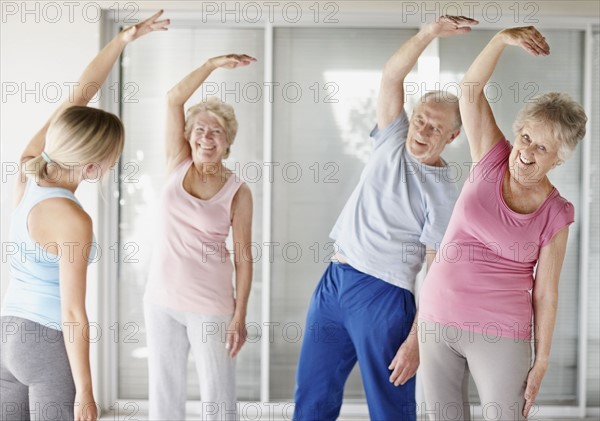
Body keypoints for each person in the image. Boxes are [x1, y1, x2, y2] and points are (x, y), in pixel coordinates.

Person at [293, 16, 478, 421]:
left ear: (452, 137)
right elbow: (392, 76)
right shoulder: (391, 139)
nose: (423, 130)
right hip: (334, 281)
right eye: (421, 119)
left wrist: (415, 341)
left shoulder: (444, 193)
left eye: (436, 127)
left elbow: (436, 276)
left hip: (384, 296)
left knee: (390, 409)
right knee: (311, 396)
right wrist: (428, 33)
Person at [0, 11, 169, 421]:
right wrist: (86, 394)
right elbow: (73, 315)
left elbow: (77, 97)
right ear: (93, 167)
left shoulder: (28, 171)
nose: (114, 163)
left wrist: (122, 40)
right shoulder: (72, 220)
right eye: (112, 156)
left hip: (8, 334)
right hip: (45, 345)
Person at [418, 24, 588, 421]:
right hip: (437, 318)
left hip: (500, 334)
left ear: (558, 158)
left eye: (542, 147)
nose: (527, 152)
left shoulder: (556, 213)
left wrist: (541, 360)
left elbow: (545, 294)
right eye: (526, 137)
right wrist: (499, 40)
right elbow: (470, 91)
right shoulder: (491, 156)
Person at [143, 54, 256, 421]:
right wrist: (211, 65)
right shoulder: (177, 163)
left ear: (228, 141)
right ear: (189, 136)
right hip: (160, 298)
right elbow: (173, 98)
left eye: (216, 131)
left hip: (210, 304)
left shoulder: (238, 191)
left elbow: (243, 257)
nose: (207, 137)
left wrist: (239, 316)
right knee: (164, 393)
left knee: (218, 399)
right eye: (200, 130)